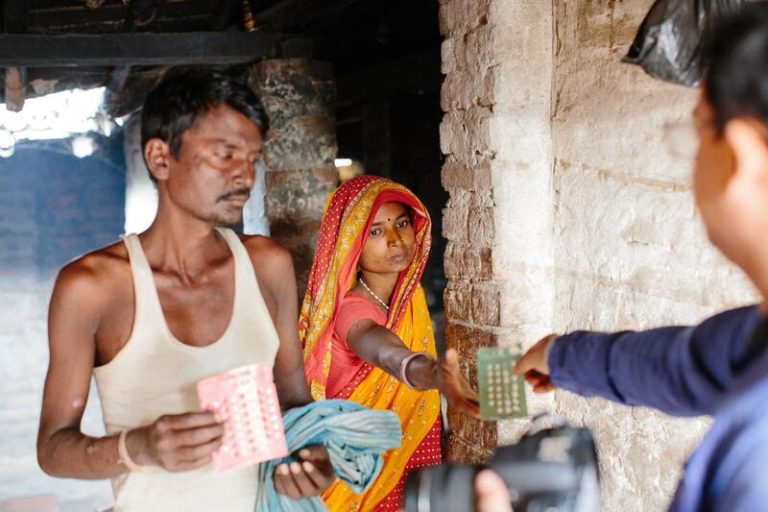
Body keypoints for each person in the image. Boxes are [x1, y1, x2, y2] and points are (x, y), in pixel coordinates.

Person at [476, 5, 768, 512]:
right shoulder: (754, 340)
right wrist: (561, 355)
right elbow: (690, 364)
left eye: (698, 134)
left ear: (740, 155)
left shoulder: (756, 454)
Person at [36, 67, 334, 511]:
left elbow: (293, 399)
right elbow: (53, 450)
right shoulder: (93, 287)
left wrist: (314, 459)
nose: (245, 176)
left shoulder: (266, 266)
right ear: (160, 159)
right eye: (224, 154)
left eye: (252, 158)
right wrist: (138, 447)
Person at [299, 175, 480, 511]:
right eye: (376, 231)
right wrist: (431, 372)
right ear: (351, 242)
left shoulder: (410, 301)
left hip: (407, 472)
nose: (396, 240)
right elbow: (383, 350)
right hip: (356, 485)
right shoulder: (351, 309)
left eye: (401, 223)